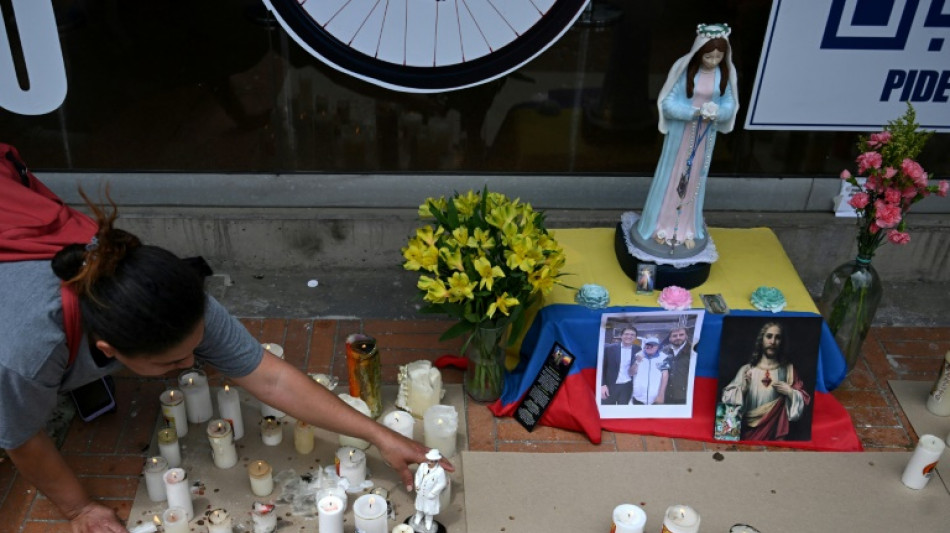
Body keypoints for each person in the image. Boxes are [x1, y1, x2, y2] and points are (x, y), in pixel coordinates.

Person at [0, 193, 452, 533]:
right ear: (109, 352)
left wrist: (378, 436)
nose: (195, 363)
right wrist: (78, 508)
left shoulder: (169, 296)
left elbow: (269, 377)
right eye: (172, 362)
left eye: (195, 347)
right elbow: (22, 438)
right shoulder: (24, 353)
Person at [633, 23, 738, 258]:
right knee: (673, 180)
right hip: (681, 138)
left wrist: (716, 112)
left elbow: (730, 105)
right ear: (699, 52)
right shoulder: (685, 73)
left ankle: (685, 229)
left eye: (718, 57)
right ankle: (662, 226)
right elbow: (668, 104)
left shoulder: (724, 76)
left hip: (704, 139)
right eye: (708, 56)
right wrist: (694, 112)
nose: (712, 61)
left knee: (693, 182)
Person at [720, 322, 810, 440]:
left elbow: (803, 399)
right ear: (761, 340)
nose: (772, 342)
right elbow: (727, 402)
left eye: (777, 337)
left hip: (775, 434)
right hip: (748, 433)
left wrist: (790, 392)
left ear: (781, 342)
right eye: (769, 336)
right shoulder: (746, 370)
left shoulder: (789, 370)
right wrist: (743, 390)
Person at [412, 448, 448, 532]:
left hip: (430, 494)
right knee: (420, 506)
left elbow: (442, 483)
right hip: (421, 492)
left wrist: (433, 493)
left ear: (436, 461)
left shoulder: (439, 471)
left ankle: (428, 521)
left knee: (429, 509)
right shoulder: (422, 466)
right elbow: (417, 476)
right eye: (428, 460)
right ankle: (419, 516)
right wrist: (417, 485)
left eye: (431, 461)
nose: (429, 462)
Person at [600, 327, 638, 405]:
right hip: (610, 386)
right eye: (626, 334)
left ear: (635, 337)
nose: (629, 336)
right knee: (608, 411)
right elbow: (602, 367)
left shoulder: (637, 349)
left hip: (627, 386)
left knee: (622, 411)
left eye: (632, 335)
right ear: (621, 336)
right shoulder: (609, 348)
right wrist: (602, 385)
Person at [629, 335, 669, 405]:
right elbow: (631, 373)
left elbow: (665, 375)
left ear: (657, 347)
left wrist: (661, 394)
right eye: (647, 345)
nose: (649, 347)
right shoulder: (637, 355)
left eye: (652, 345)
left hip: (655, 398)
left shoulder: (662, 358)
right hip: (638, 398)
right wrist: (637, 362)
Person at [661, 326, 696, 404]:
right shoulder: (665, 351)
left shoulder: (694, 352)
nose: (678, 337)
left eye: (681, 335)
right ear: (669, 338)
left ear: (686, 336)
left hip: (685, 397)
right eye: (674, 335)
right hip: (667, 396)